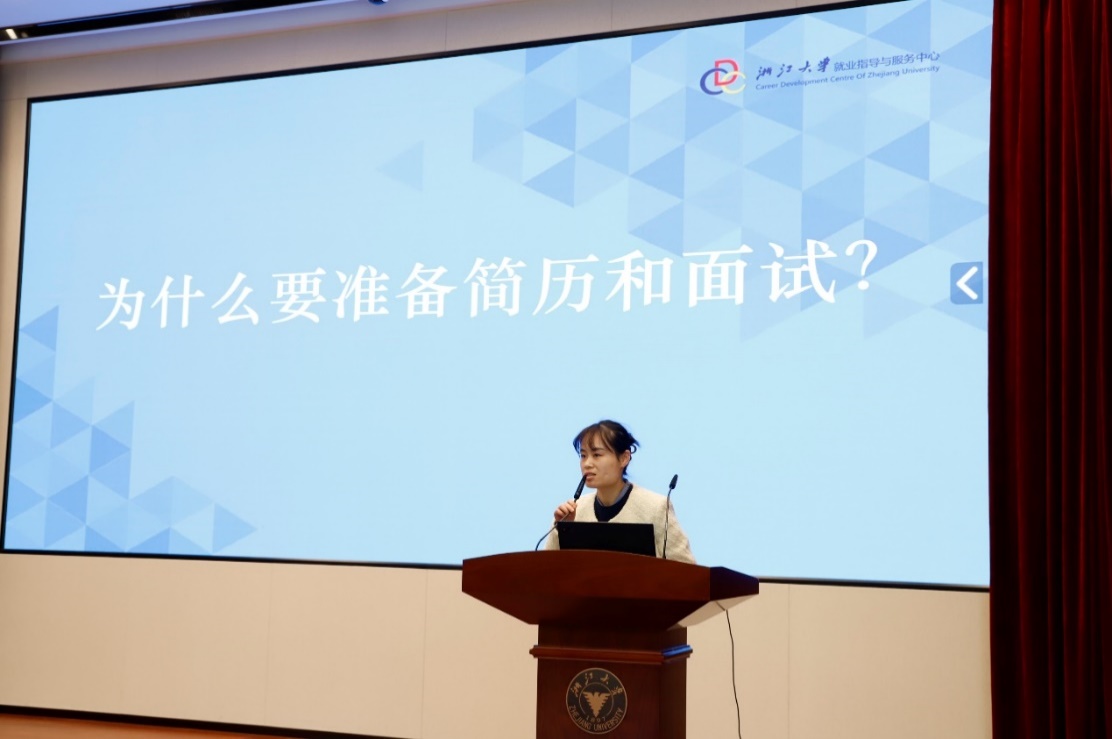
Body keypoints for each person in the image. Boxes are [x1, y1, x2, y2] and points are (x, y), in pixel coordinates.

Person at [545, 420, 695, 563]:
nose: (587, 464)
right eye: (583, 456)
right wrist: (563, 529)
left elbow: (687, 569)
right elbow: (549, 568)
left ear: (624, 458)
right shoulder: (571, 512)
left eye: (597, 455)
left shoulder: (656, 507)